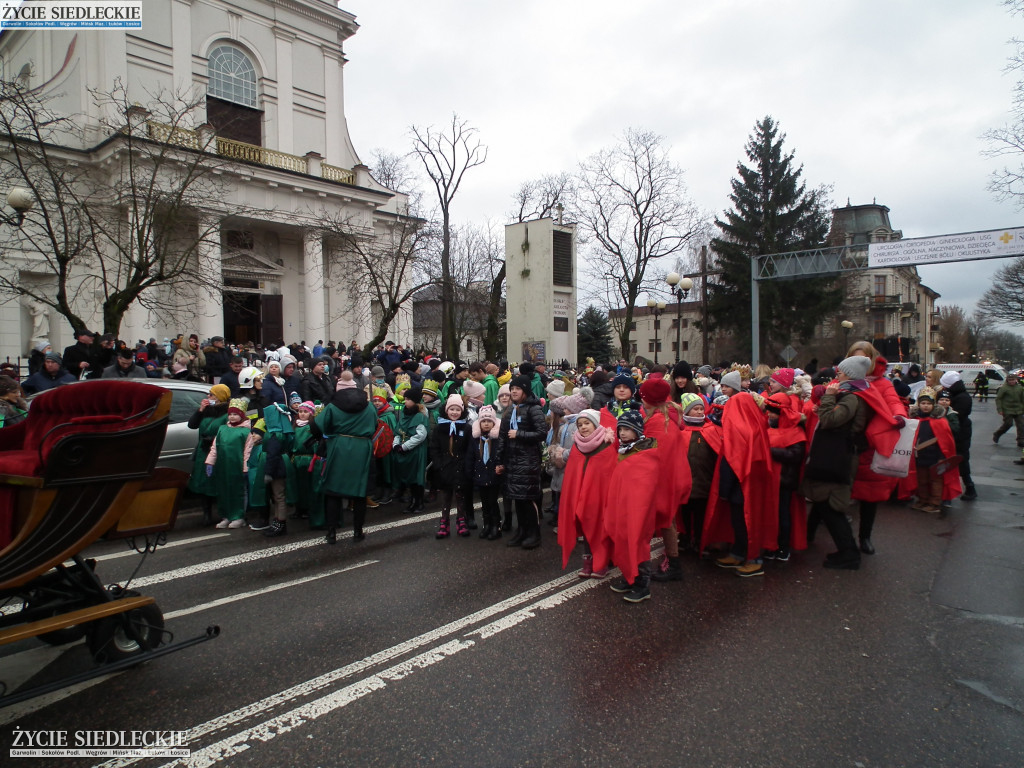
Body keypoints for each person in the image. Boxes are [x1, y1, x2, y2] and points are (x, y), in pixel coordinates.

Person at [800, 355, 872, 570]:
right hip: (836, 453)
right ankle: (813, 538)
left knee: (831, 505)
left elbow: (831, 420)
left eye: (840, 372)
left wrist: (828, 399)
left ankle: (849, 553)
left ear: (850, 374)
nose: (836, 374)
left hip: (837, 456)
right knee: (824, 501)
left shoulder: (851, 397)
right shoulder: (852, 394)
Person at [309, 372, 376, 544]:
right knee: (359, 492)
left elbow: (316, 427)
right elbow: (375, 425)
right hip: (362, 449)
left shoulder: (332, 406)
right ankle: (358, 532)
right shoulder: (368, 407)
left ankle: (331, 533)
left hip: (338, 448)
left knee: (333, 491)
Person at [605, 410, 662, 603]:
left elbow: (644, 484)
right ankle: (631, 578)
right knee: (625, 540)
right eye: (620, 429)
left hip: (639, 509)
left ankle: (642, 585)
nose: (622, 433)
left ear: (637, 431)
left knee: (638, 543)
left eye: (627, 429)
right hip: (625, 506)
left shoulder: (645, 453)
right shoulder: (625, 450)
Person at [557, 408, 616, 577]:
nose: (583, 427)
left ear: (596, 424)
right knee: (585, 528)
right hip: (581, 496)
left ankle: (602, 562)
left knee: (599, 528)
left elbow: (608, 473)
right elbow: (573, 474)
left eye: (587, 423)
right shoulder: (577, 446)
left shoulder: (606, 445)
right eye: (580, 424)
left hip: (599, 498)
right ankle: (588, 562)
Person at [496, 374, 546, 549]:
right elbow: (502, 436)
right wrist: (499, 460)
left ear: (525, 390)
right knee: (517, 498)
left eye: (517, 389)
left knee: (528, 498)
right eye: (512, 389)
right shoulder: (510, 410)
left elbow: (542, 433)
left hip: (528, 460)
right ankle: (522, 531)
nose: (514, 392)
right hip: (512, 459)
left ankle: (534, 533)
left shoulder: (534, 409)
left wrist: (520, 434)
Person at [910, 388, 961, 513]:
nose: (926, 406)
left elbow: (945, 442)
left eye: (928, 404)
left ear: (933, 405)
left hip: (935, 456)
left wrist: (942, 456)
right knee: (921, 480)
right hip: (920, 456)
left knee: (935, 481)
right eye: (923, 403)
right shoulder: (915, 420)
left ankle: (934, 503)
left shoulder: (940, 422)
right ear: (919, 404)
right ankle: (923, 499)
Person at [187, 384, 232, 526]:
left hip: (217, 452)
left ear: (219, 397)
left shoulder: (227, 413)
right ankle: (206, 514)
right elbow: (192, 425)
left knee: (217, 482)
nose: (208, 397)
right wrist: (200, 410)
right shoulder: (206, 411)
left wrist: (213, 440)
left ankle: (223, 512)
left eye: (211, 395)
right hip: (203, 452)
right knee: (203, 482)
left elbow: (228, 433)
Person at [205, 398, 252, 529]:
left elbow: (247, 452)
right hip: (223, 466)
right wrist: (210, 462)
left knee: (237, 491)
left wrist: (245, 468)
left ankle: (238, 516)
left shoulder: (246, 432)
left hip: (237, 466)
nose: (232, 417)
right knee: (223, 490)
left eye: (235, 414)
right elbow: (215, 447)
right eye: (230, 414)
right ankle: (226, 515)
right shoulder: (222, 429)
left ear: (242, 415)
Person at [431, 393, 472, 538]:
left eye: (457, 410)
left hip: (460, 467)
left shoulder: (466, 428)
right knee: (446, 496)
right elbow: (434, 448)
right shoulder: (439, 428)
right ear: (446, 410)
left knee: (460, 496)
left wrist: (467, 464)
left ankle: (461, 520)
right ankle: (444, 522)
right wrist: (438, 464)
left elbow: (469, 448)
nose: (454, 412)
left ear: (462, 411)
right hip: (445, 467)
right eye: (451, 409)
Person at [939, 370, 977, 500]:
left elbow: (958, 416)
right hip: (961, 430)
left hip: (961, 432)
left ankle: (970, 487)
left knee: (961, 459)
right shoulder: (959, 394)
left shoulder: (961, 398)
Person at [392, 386, 430, 514]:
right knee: (408, 477)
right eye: (405, 398)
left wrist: (405, 446)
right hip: (405, 450)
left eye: (408, 399)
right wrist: (396, 444)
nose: (405, 401)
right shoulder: (404, 414)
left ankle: (418, 503)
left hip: (415, 451)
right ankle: (412, 501)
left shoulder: (420, 416)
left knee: (416, 477)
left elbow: (420, 435)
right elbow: (398, 431)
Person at [994, 371, 1024, 447]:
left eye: (1013, 380)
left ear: (1016, 380)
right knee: (1008, 424)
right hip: (1007, 409)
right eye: (1010, 380)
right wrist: (1000, 409)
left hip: (1018, 409)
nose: (1011, 381)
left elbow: (1022, 399)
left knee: (1021, 425)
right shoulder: (1004, 388)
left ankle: (1020, 440)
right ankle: (997, 434)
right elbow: (998, 399)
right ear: (1007, 380)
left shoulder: (1020, 388)